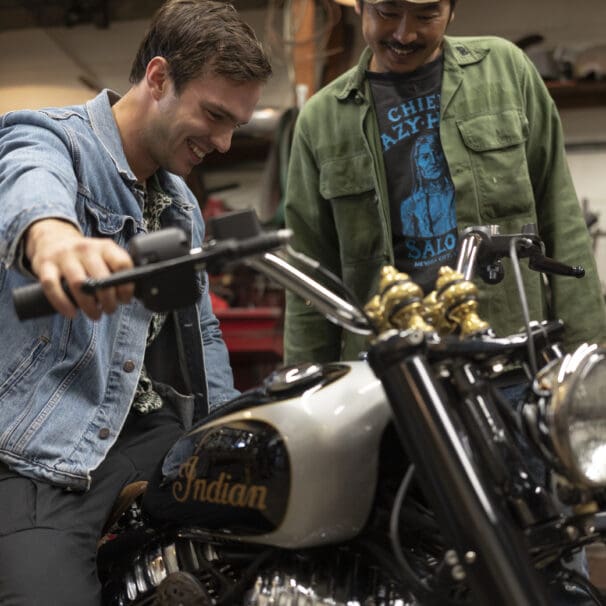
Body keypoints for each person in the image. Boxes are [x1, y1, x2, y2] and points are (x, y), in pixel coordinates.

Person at [0, 1, 272, 603]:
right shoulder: (52, 137)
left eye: (236, 124)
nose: (225, 143)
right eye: (214, 116)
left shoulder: (179, 206)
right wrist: (53, 239)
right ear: (157, 78)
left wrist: (224, 435)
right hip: (44, 452)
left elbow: (200, 334)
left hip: (148, 433)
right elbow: (29, 183)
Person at [283, 0, 606, 364]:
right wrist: (305, 387)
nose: (405, 34)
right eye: (387, 13)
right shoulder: (321, 121)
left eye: (426, 15)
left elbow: (561, 221)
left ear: (452, 10)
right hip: (391, 378)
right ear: (359, 6)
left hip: (510, 358)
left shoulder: (505, 72)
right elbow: (309, 280)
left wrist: (587, 364)